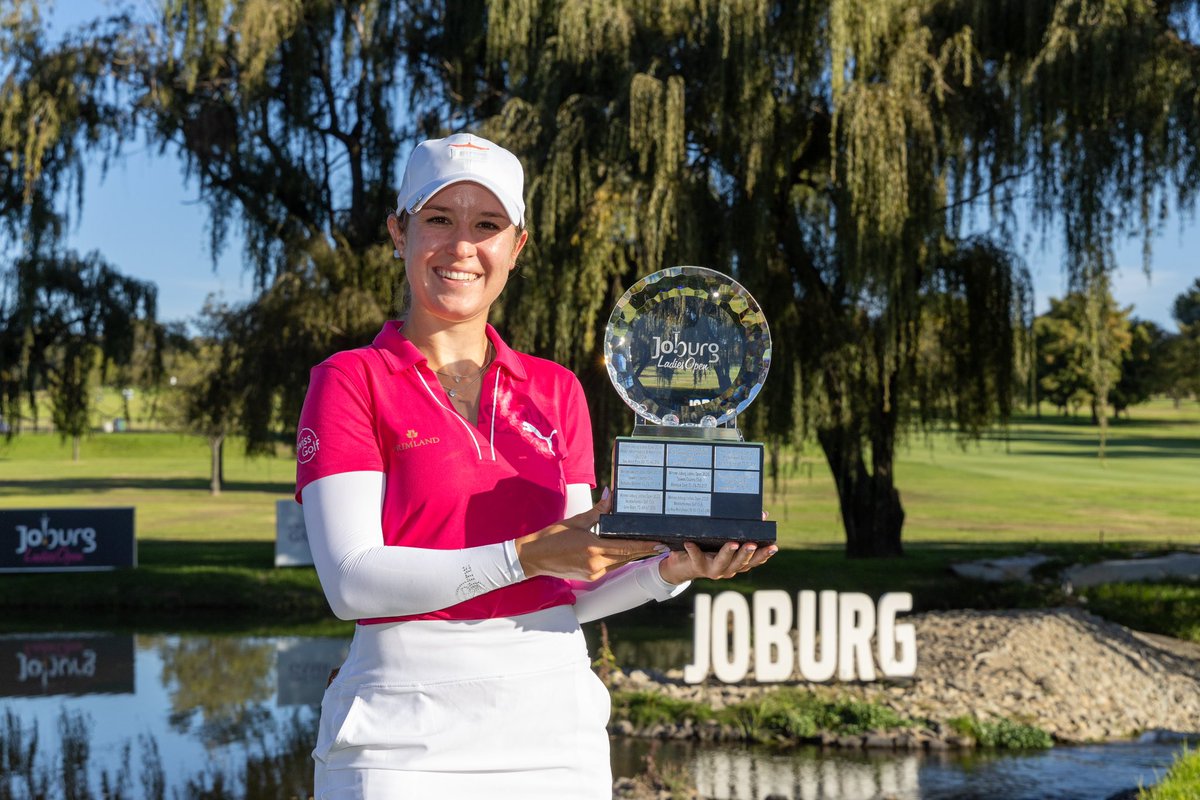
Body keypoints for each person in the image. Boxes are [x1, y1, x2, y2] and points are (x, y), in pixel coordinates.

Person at [295, 132, 777, 799]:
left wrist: (670, 570)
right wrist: (527, 553)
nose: (462, 246)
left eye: (487, 225)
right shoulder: (352, 380)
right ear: (398, 232)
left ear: (516, 247)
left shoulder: (557, 390)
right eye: (439, 218)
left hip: (555, 737)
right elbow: (352, 584)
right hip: (400, 740)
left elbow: (571, 590)